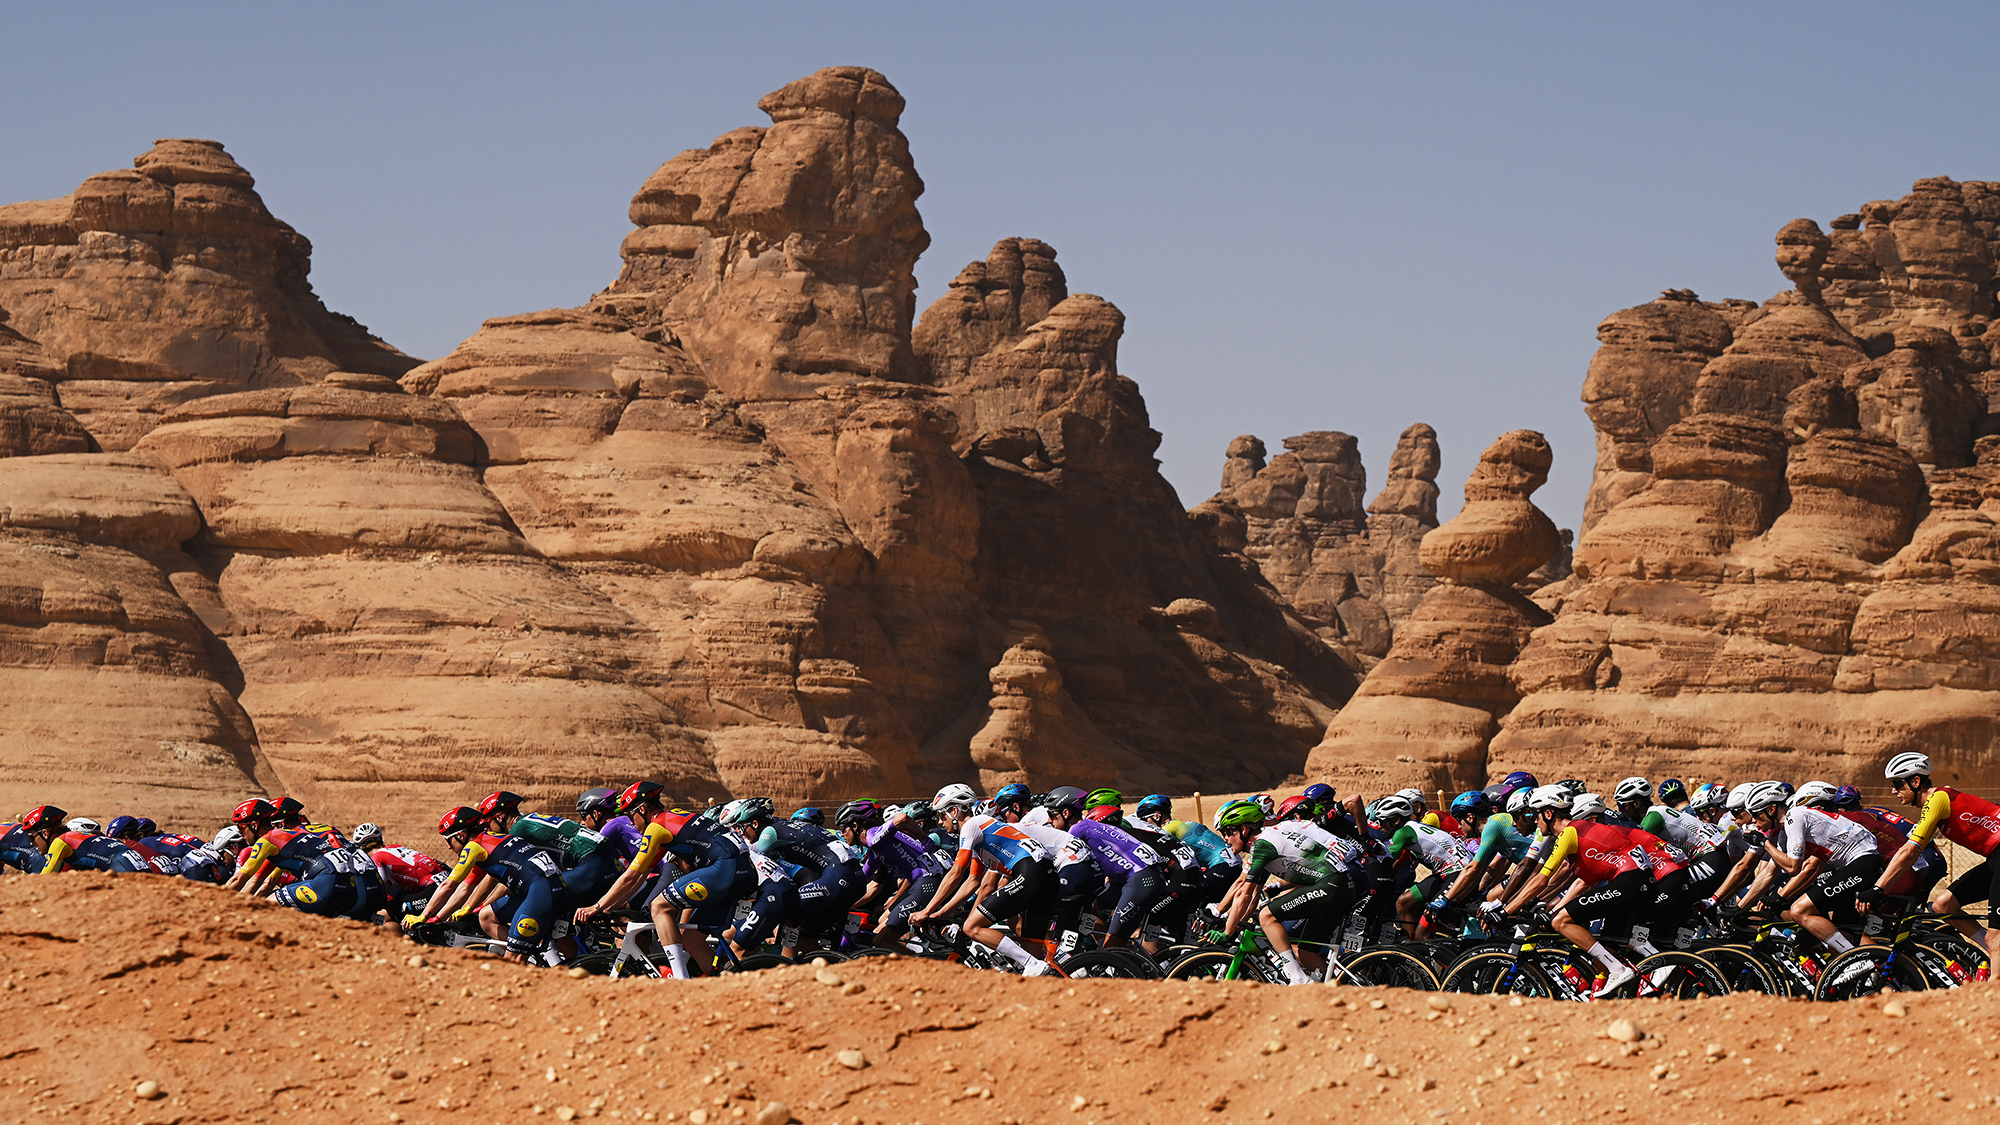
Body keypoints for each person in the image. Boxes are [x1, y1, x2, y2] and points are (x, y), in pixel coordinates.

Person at [1501, 785, 1648, 996]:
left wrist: (1505, 910)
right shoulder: (1582, 831)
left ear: (1549, 813)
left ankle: (1618, 969)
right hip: (1638, 881)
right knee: (1602, 952)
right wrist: (1539, 904)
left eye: (1536, 815)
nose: (1534, 821)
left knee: (1561, 921)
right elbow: (1574, 882)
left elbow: (1543, 878)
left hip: (1630, 881)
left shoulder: (1569, 833)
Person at [907, 784, 1058, 977]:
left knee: (972, 927)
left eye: (941, 815)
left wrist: (927, 910)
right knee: (1033, 955)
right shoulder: (982, 834)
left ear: (955, 811)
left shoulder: (972, 825)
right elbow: (972, 881)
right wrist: (940, 913)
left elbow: (956, 873)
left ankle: (1031, 963)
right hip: (1046, 876)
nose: (940, 822)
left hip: (1031, 872)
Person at [1870, 752, 2000, 961]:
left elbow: (1909, 852)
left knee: (1996, 936)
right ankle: (1995, 950)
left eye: (1897, 784)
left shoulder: (1937, 798)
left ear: (1915, 781)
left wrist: (1878, 888)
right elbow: (1910, 852)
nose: (1894, 791)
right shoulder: (1936, 802)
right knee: (1943, 906)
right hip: (1994, 857)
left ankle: (1995, 983)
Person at [1213, 799, 1350, 985]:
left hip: (1332, 885)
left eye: (1228, 832)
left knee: (1267, 916)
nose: (1225, 839)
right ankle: (1343, 993)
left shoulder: (1262, 846)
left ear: (1244, 830)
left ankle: (1298, 978)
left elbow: (1243, 893)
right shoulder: (1268, 839)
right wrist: (1238, 922)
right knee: (1307, 954)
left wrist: (1227, 933)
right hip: (1339, 885)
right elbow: (1251, 895)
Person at [838, 799, 946, 945]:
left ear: (855, 825)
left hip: (926, 882)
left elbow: (902, 818)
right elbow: (863, 878)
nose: (841, 833)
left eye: (843, 828)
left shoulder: (872, 837)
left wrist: (924, 839)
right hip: (920, 883)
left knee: (882, 940)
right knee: (880, 932)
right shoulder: (874, 848)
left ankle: (922, 966)